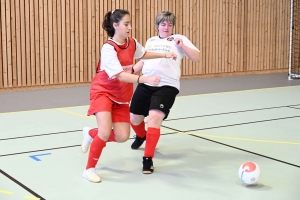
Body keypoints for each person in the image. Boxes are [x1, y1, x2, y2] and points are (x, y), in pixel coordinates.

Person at [81, 9, 177, 183]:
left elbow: (144, 54)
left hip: (121, 95)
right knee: (104, 132)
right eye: (126, 24)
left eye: (130, 23)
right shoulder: (108, 48)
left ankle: (90, 133)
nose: (130, 27)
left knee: (122, 136)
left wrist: (165, 54)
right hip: (103, 91)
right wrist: (143, 79)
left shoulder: (131, 42)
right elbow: (120, 75)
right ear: (115, 25)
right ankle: (89, 169)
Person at [129, 11, 200, 174]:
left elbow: (196, 57)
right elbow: (144, 60)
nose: (166, 27)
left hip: (167, 85)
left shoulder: (179, 39)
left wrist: (182, 46)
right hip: (146, 82)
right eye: (163, 24)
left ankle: (147, 159)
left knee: (154, 119)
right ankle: (141, 136)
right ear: (157, 26)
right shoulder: (151, 41)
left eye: (169, 24)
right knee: (134, 117)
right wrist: (132, 70)